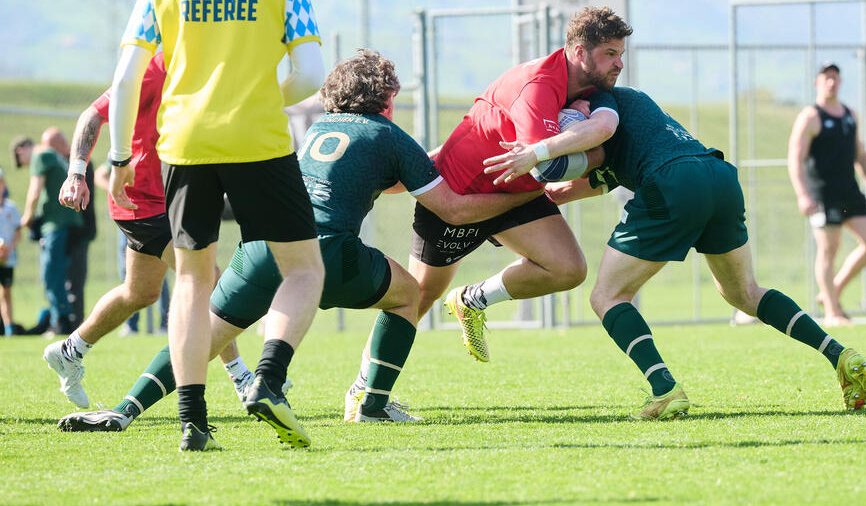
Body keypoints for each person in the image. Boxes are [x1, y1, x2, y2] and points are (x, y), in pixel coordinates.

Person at [59, 50, 537, 434]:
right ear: (385, 99)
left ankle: (123, 410)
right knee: (410, 293)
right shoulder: (388, 134)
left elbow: (366, 177)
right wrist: (524, 194)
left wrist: (417, 168)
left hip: (260, 249)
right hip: (325, 253)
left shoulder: (318, 129)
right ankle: (369, 403)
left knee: (204, 335)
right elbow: (450, 209)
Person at [106, 0, 326, 450]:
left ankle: (192, 422)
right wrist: (256, 96)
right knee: (304, 269)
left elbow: (127, 77)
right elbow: (308, 74)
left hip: (183, 144)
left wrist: (120, 155)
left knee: (192, 281)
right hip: (258, 140)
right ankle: (269, 381)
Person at [543, 88, 866, 417]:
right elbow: (585, 183)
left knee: (607, 296)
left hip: (674, 181)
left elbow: (593, 147)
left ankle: (664, 389)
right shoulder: (630, 114)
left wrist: (543, 151)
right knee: (744, 293)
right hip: (717, 175)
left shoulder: (600, 104)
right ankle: (840, 355)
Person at [409, 6, 629, 363]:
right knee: (418, 296)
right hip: (463, 193)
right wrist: (599, 157)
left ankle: (473, 299)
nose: (619, 64)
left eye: (620, 54)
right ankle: (367, 390)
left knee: (568, 269)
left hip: (515, 192)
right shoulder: (538, 84)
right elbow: (550, 168)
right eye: (609, 54)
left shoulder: (592, 87)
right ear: (578, 52)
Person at [46, 52, 247, 409]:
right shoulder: (154, 69)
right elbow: (94, 113)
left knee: (139, 293)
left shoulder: (209, 67)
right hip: (138, 202)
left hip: (172, 198)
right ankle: (243, 378)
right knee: (205, 281)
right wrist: (76, 172)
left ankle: (69, 350)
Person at [787, 63, 866, 325]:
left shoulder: (850, 114)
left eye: (836, 78)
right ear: (817, 82)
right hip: (823, 194)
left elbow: (860, 153)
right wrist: (802, 194)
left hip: (850, 191)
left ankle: (833, 291)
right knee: (829, 249)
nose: (832, 82)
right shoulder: (810, 116)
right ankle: (832, 312)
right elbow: (795, 158)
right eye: (827, 78)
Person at [12, 133, 82, 334]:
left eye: (21, 162)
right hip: (67, 224)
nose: (26, 166)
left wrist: (26, 218)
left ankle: (60, 323)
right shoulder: (52, 154)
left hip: (56, 225)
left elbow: (35, 191)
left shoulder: (39, 156)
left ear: (21, 151)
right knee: (58, 274)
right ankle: (61, 320)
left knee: (50, 275)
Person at [41, 128, 96, 327]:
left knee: (75, 279)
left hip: (79, 231)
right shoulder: (58, 165)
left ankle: (76, 325)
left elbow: (83, 202)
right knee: (61, 278)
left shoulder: (81, 167)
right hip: (66, 230)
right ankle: (66, 322)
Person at [0, 168, 22, 335]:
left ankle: (9, 328)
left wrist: (8, 249)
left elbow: (18, 232)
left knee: (6, 292)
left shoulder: (10, 208)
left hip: (7, 258)